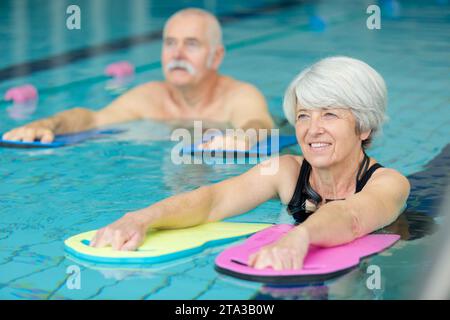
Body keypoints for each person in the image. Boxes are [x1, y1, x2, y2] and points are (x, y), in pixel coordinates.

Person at [90, 56, 410, 271]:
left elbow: (351, 215)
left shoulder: (389, 183)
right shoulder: (286, 172)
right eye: (303, 116)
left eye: (329, 114)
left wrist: (298, 237)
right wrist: (141, 218)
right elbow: (212, 201)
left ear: (365, 126)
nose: (312, 129)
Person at [2, 8, 274, 150]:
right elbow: (93, 119)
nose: (177, 54)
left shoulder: (239, 95)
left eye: (191, 44)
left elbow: (258, 123)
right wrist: (48, 123)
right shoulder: (149, 97)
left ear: (216, 57)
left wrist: (242, 136)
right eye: (170, 43)